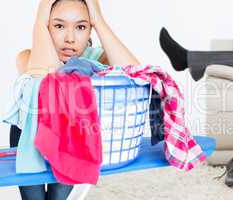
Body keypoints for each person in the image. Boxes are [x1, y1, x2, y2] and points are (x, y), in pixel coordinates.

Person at [10, 0, 139, 199]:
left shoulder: (94, 59)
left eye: (81, 27)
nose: (70, 38)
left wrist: (99, 21)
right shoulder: (28, 56)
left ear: (90, 32)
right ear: (46, 26)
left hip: (74, 134)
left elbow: (137, 74)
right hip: (30, 139)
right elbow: (49, 75)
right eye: (59, 26)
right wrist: (41, 13)